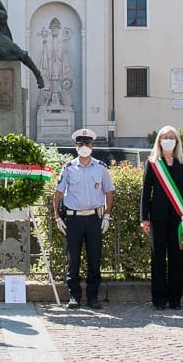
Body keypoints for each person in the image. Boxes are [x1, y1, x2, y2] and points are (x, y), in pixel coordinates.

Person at [53, 128, 115, 309]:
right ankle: (74, 296)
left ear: (92, 146)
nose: (84, 147)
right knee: (73, 260)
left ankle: (93, 297)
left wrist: (107, 216)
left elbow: (108, 191)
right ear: (75, 146)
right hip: (74, 220)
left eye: (87, 144)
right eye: (80, 144)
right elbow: (57, 193)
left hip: (94, 219)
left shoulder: (101, 167)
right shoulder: (68, 168)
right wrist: (57, 217)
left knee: (94, 259)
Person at [140, 126, 183, 310]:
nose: (169, 140)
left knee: (176, 258)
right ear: (159, 141)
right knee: (158, 258)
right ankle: (159, 298)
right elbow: (146, 192)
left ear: (177, 141)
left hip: (179, 218)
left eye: (172, 137)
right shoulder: (153, 163)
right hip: (157, 217)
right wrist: (144, 217)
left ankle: (175, 299)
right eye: (165, 137)